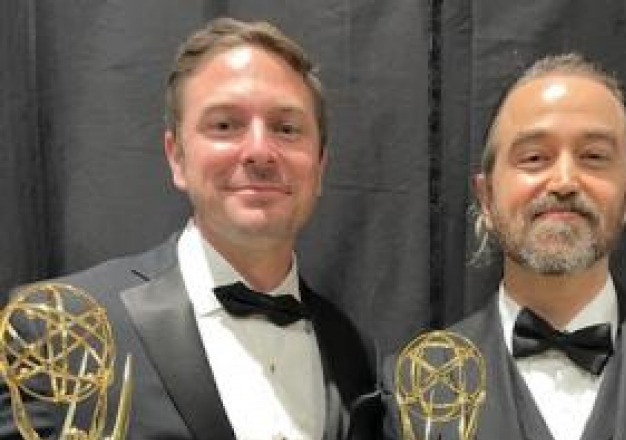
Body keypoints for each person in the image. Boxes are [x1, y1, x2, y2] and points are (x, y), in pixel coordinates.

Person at [0, 17, 380, 440]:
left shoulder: (356, 353)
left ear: (320, 165)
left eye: (287, 129)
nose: (260, 151)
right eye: (225, 125)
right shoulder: (58, 330)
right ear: (177, 156)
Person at [382, 53, 626, 440]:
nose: (564, 181)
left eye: (594, 157)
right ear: (486, 197)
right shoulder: (412, 383)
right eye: (534, 158)